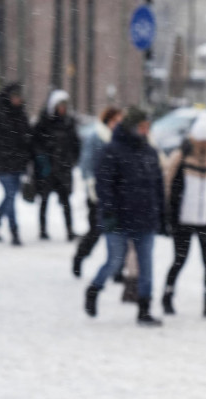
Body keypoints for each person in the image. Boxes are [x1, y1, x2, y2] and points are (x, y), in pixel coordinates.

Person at [84, 107, 166, 326]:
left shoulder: (150, 152)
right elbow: (105, 185)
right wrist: (109, 212)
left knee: (146, 265)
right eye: (143, 126)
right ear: (132, 127)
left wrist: (161, 213)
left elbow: (157, 185)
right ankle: (94, 289)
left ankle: (144, 308)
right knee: (115, 261)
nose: (146, 131)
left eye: (148, 127)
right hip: (119, 218)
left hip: (145, 218)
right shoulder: (113, 150)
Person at [160, 110, 206, 319]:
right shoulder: (182, 155)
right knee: (180, 259)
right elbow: (168, 183)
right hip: (184, 218)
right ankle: (167, 296)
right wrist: (168, 214)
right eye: (202, 140)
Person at [72, 106, 123, 277]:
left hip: (117, 194)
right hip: (98, 192)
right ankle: (80, 257)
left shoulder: (120, 139)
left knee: (119, 231)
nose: (118, 124)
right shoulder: (96, 137)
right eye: (115, 120)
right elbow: (86, 164)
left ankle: (118, 270)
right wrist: (92, 186)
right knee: (96, 230)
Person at [0, 83, 32, 246]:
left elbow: (27, 139)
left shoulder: (21, 115)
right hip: (2, 163)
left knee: (10, 197)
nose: (18, 99)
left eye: (19, 96)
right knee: (10, 196)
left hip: (18, 163)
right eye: (15, 96)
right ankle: (14, 231)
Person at [32, 89, 81, 241]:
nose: (62, 109)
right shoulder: (44, 122)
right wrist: (42, 159)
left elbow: (76, 143)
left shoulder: (69, 122)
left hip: (63, 168)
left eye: (65, 106)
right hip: (47, 169)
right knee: (44, 201)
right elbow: (35, 143)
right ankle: (42, 230)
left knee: (66, 201)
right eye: (60, 105)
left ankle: (70, 230)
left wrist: (72, 160)